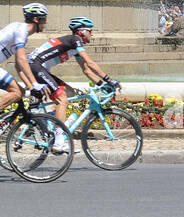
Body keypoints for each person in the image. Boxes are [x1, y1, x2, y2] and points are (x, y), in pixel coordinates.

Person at [22, 16, 117, 152]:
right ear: (81, 31)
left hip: (37, 67)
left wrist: (103, 84)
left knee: (69, 92)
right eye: (90, 31)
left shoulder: (74, 44)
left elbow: (86, 70)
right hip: (35, 67)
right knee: (62, 100)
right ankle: (59, 141)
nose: (92, 34)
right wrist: (110, 80)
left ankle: (48, 123)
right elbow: (90, 63)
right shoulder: (75, 40)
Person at [0, 2, 48, 146]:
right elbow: (22, 60)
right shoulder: (22, 30)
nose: (46, 23)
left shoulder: (17, 27)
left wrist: (30, 86)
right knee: (17, 92)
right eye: (44, 19)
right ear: (36, 19)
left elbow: (18, 66)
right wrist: (36, 84)